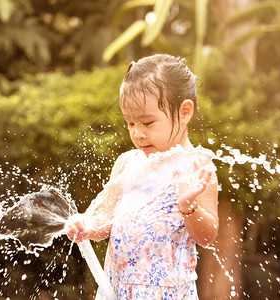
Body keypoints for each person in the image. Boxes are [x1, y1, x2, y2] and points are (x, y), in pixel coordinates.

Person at [65, 54, 219, 299]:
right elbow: (107, 220)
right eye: (130, 123)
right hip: (118, 290)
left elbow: (207, 236)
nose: (138, 134)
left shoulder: (197, 168)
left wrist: (188, 206)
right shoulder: (127, 163)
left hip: (165, 293)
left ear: (184, 111)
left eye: (147, 123)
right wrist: (87, 226)